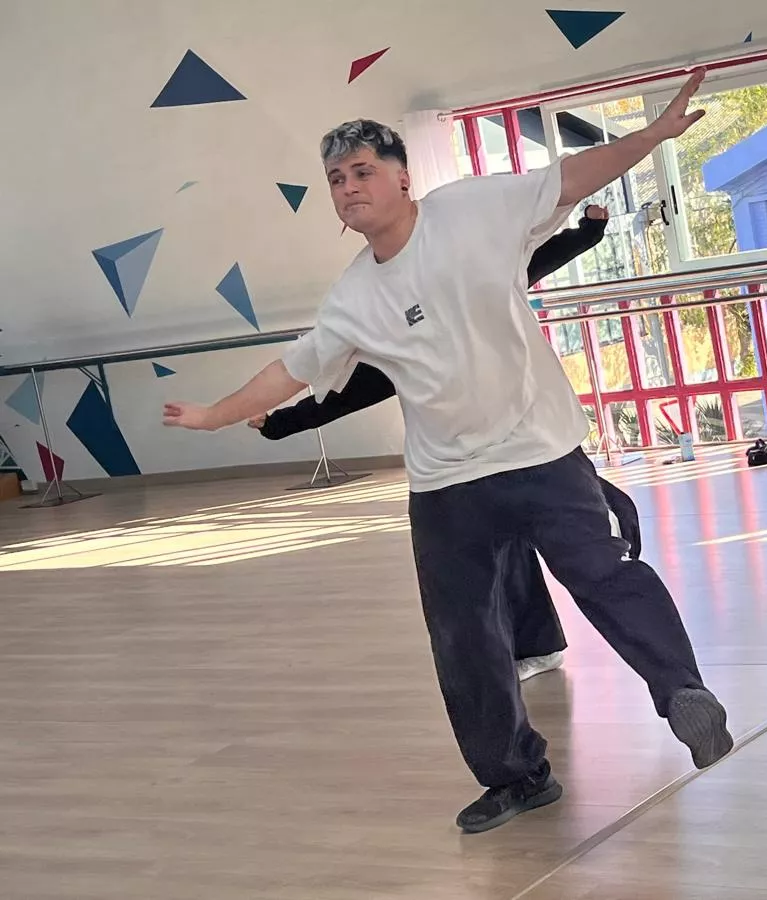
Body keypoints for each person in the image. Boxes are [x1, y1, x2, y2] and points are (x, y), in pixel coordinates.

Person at [163, 69, 734, 833]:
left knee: (604, 574)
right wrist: (211, 415)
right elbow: (291, 371)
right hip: (447, 482)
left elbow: (567, 177)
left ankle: (683, 694)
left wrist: (652, 137)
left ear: (403, 178)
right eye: (335, 179)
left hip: (538, 447)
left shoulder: (472, 209)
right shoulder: (353, 296)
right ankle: (515, 776)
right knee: (463, 635)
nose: (347, 187)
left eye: (362, 170)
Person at [245, 205, 637, 683]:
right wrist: (278, 423)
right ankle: (540, 643)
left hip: (531, 441)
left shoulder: (469, 280)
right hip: (471, 464)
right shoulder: (394, 332)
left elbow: (531, 261)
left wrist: (589, 231)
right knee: (505, 548)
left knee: (571, 535)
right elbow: (354, 391)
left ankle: (610, 519)